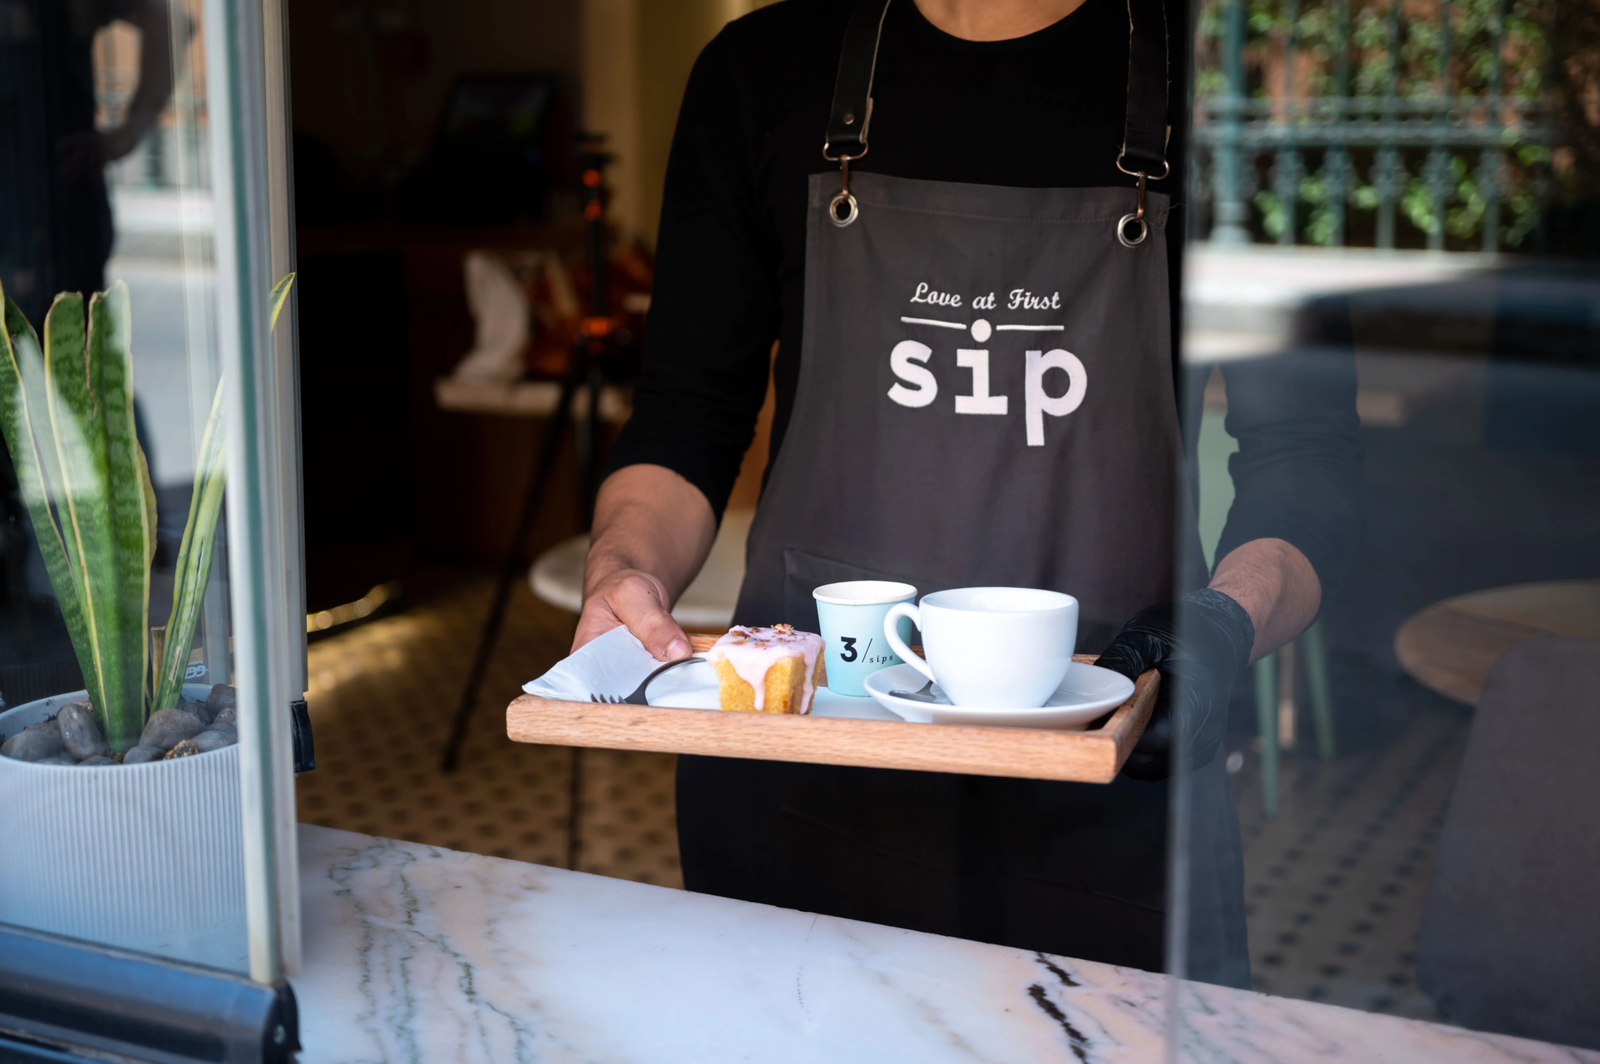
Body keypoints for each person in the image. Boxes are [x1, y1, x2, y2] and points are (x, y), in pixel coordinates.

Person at [574, 0, 1363, 987]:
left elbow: (1306, 455)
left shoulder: (1223, 82)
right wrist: (625, 565)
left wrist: (1222, 621)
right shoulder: (759, 71)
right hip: (801, 786)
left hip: (1109, 792)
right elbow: (687, 414)